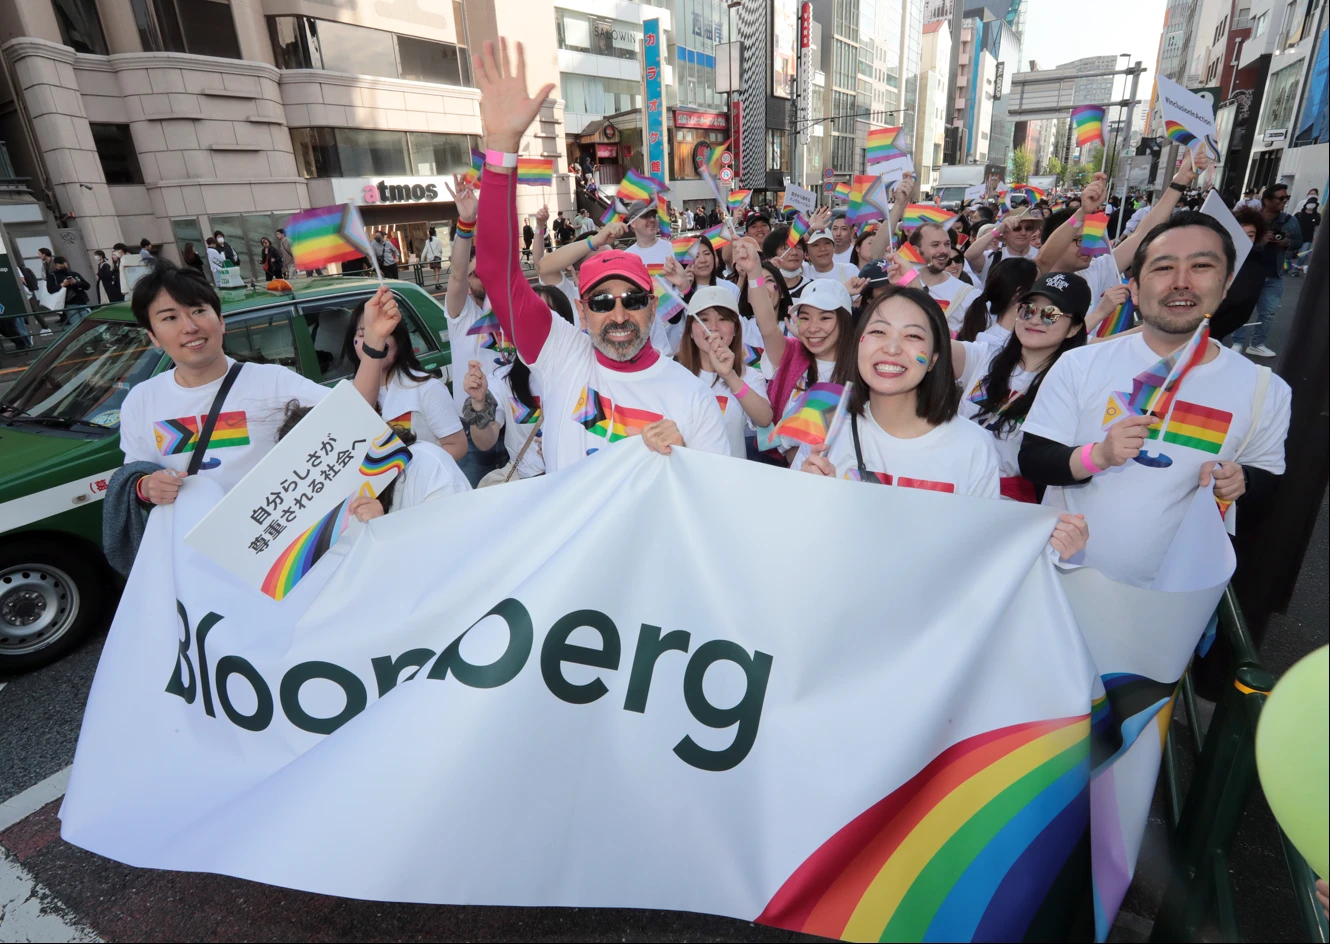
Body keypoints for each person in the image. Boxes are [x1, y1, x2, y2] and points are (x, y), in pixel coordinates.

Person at [471, 38, 728, 469]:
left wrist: (685, 462)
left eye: (634, 300)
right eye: (603, 302)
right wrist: (501, 150)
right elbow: (497, 271)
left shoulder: (692, 397)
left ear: (652, 307)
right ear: (582, 310)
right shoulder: (561, 355)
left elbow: (718, 506)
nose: (620, 314)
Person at [1018, 212, 1292, 588]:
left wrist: (1243, 480)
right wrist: (1098, 456)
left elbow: (1267, 478)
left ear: (1226, 283)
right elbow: (1033, 459)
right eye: (1163, 268)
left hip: (1175, 600)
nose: (1182, 282)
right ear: (1134, 287)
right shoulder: (1080, 363)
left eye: (1201, 266)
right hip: (1061, 578)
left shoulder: (1266, 389)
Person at [119, 263, 392, 505]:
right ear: (153, 336)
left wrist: (375, 342)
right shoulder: (141, 401)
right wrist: (146, 487)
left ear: (221, 321)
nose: (189, 327)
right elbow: (136, 472)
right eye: (169, 317)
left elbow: (354, 413)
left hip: (265, 544)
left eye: (199, 310)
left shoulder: (272, 382)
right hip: (188, 551)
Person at [952, 271, 1093, 502]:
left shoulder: (1071, 386)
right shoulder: (986, 356)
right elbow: (932, 347)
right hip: (950, 483)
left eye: (1051, 314)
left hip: (1006, 506)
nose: (1035, 319)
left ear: (1074, 328)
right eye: (1028, 309)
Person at [1037, 164, 1201, 312]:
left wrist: (1180, 181)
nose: (1087, 248)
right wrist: (1101, 312)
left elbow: (1141, 235)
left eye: (1090, 239)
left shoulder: (1094, 271)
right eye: (1080, 240)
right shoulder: (1030, 278)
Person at [343, 297, 466, 461]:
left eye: (383, 333)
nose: (374, 342)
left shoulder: (427, 388)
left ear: (399, 340)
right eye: (363, 334)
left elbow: (457, 446)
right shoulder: (347, 394)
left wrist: (415, 472)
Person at [759, 273, 856, 463]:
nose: (813, 328)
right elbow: (766, 326)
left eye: (824, 318)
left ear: (844, 320)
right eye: (805, 318)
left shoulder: (862, 370)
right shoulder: (792, 356)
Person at [675, 285, 773, 458]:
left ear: (735, 329)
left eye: (722, 319)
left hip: (730, 480)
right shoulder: (673, 373)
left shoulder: (748, 376)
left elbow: (764, 419)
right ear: (690, 330)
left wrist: (729, 376)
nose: (713, 327)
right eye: (703, 319)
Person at [1229, 183, 1302, 358]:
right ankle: (1237, 342)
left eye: (1287, 198)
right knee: (1241, 308)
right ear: (1267, 200)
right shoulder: (1253, 219)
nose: (1284, 201)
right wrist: (1259, 240)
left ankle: (1257, 344)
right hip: (1248, 272)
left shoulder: (1290, 220)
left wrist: (1287, 243)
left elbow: (1299, 241)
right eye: (1280, 198)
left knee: (1268, 313)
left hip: (1274, 274)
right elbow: (1235, 241)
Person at [894, 221, 975, 332]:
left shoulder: (968, 295)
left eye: (947, 244)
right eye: (935, 245)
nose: (943, 251)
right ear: (916, 251)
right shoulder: (902, 284)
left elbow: (977, 342)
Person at [955, 257, 1039, 345]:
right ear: (1018, 292)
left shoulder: (982, 317)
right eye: (1036, 283)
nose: (1041, 289)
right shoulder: (994, 340)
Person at [963, 210, 1040, 285]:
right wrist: (997, 231)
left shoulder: (1040, 255)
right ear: (1005, 233)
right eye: (1017, 228)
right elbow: (968, 257)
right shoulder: (993, 258)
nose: (1023, 233)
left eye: (1028, 228)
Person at [622, 202, 673, 269]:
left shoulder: (671, 248)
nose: (652, 220)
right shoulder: (626, 256)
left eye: (654, 216)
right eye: (646, 216)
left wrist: (685, 278)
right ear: (633, 223)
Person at [47, 256, 90, 323]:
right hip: (68, 303)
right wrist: (62, 285)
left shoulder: (74, 274)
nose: (63, 269)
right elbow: (50, 289)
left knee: (89, 322)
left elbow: (87, 286)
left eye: (65, 267)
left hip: (81, 301)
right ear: (55, 266)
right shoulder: (52, 276)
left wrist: (76, 282)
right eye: (60, 268)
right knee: (76, 324)